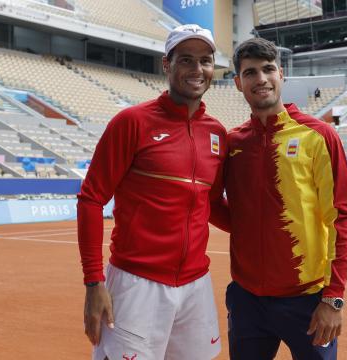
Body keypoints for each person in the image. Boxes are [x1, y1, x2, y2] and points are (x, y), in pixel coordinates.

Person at [77, 24, 226, 360]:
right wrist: (92, 282)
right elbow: (91, 199)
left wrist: (265, 227)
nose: (197, 69)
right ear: (166, 65)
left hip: (196, 285)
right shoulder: (132, 122)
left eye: (205, 60)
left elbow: (212, 203)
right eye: (186, 60)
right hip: (135, 284)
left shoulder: (217, 133)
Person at [223, 37, 347, 360]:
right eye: (251, 72)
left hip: (307, 299)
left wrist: (333, 298)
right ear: (239, 82)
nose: (261, 79)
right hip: (246, 299)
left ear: (281, 74)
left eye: (268, 69)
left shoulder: (318, 136)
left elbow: (341, 218)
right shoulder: (233, 142)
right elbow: (217, 205)